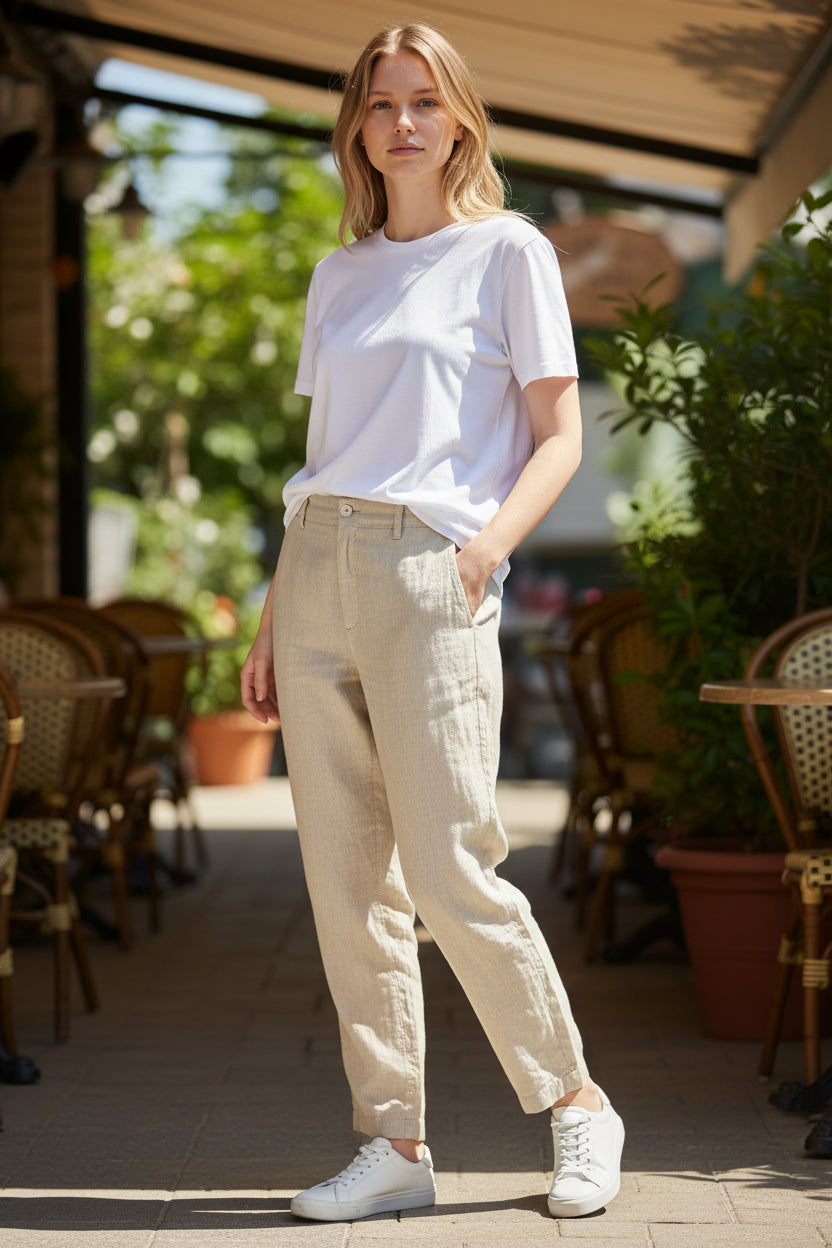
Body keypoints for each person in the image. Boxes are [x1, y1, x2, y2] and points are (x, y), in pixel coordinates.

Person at [241, 20, 624, 1224]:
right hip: (315, 570)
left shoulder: (508, 252)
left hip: (431, 569)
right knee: (347, 881)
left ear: (459, 116)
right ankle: (392, 1142)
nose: (401, 121)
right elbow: (321, 457)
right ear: (356, 125)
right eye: (380, 103)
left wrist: (487, 551)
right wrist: (267, 620)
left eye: (424, 101)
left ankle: (575, 1107)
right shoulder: (339, 274)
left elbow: (559, 436)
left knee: (456, 868)